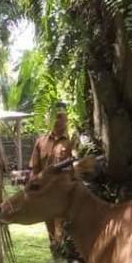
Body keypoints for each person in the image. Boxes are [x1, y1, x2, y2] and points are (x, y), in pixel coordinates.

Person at [29, 100, 77, 243]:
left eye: (60, 116)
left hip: (65, 198)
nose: (56, 120)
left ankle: (65, 261)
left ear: (67, 117)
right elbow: (35, 170)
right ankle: (56, 259)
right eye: (54, 116)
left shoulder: (74, 141)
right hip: (46, 197)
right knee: (51, 235)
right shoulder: (41, 141)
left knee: (63, 234)